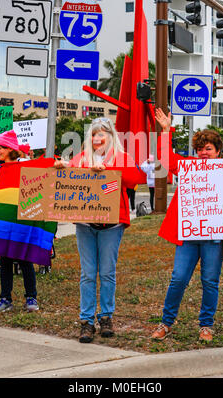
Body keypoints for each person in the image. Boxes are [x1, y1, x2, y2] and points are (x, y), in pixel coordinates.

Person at [151, 108, 223, 343]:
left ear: (218, 151)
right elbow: (166, 160)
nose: (203, 153)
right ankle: (166, 323)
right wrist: (165, 130)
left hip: (214, 238)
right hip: (189, 235)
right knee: (178, 279)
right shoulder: (189, 168)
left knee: (210, 281)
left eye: (208, 149)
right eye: (200, 149)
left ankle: (206, 326)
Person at [55, 117, 144, 343]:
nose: (97, 138)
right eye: (94, 134)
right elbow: (65, 178)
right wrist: (59, 167)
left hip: (112, 224)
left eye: (102, 133)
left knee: (106, 272)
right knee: (87, 273)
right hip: (86, 224)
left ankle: (105, 317)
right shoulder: (82, 158)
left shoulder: (122, 157)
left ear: (111, 136)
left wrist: (107, 170)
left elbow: (136, 179)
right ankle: (86, 321)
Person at [0, 131, 39, 313]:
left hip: (22, 221)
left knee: (25, 259)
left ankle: (31, 297)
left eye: (0, 148)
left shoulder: (26, 167)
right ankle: (5, 298)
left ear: (10, 149)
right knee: (6, 260)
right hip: (3, 222)